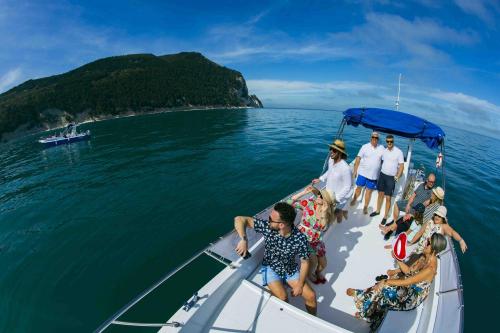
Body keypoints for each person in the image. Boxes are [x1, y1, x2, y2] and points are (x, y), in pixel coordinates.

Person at [346, 233, 448, 330]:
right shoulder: (423, 257)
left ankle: (367, 313)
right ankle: (369, 308)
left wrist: (386, 281)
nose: (426, 242)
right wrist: (397, 259)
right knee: (384, 284)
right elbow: (409, 271)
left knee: (385, 287)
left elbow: (408, 281)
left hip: (412, 296)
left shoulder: (430, 269)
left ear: (434, 249)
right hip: (409, 286)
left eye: (429, 243)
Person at [234, 202, 317, 315]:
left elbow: (305, 262)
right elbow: (239, 219)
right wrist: (244, 239)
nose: (268, 220)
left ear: (282, 224)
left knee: (311, 296)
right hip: (270, 267)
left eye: (270, 219)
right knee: (283, 298)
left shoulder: (299, 238)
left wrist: (300, 285)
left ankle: (313, 319)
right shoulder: (267, 227)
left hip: (290, 269)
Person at [289, 185, 336, 284]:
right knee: (313, 262)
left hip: (316, 240)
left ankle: (317, 272)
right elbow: (290, 202)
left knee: (323, 264)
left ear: (327, 201)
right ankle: (309, 274)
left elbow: (323, 228)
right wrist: (303, 193)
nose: (318, 196)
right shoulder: (309, 204)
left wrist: (323, 212)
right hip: (303, 238)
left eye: (322, 196)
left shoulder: (328, 212)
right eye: (319, 194)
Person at [312, 139, 353, 223]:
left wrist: (336, 198)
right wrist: (321, 179)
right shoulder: (331, 160)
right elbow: (329, 172)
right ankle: (342, 213)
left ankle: (341, 213)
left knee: (329, 214)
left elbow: (348, 186)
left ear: (340, 152)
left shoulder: (345, 168)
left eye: (334, 150)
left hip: (337, 196)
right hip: (327, 193)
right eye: (330, 149)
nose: (331, 151)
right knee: (328, 212)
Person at [370, 135, 404, 225]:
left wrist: (398, 176)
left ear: (393, 141)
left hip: (391, 177)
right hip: (382, 175)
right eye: (388, 141)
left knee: (388, 197)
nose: (389, 143)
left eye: (391, 141)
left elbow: (401, 166)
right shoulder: (384, 151)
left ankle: (385, 216)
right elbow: (379, 160)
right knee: (380, 194)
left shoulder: (398, 152)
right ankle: (377, 211)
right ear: (386, 141)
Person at [350, 132, 384, 214]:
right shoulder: (364, 147)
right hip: (362, 173)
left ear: (378, 139)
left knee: (369, 192)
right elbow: (358, 159)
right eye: (373, 137)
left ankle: (365, 206)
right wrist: (355, 171)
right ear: (371, 138)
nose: (374, 139)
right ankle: (354, 199)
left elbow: (385, 159)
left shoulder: (382, 148)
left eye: (376, 138)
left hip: (373, 176)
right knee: (358, 189)